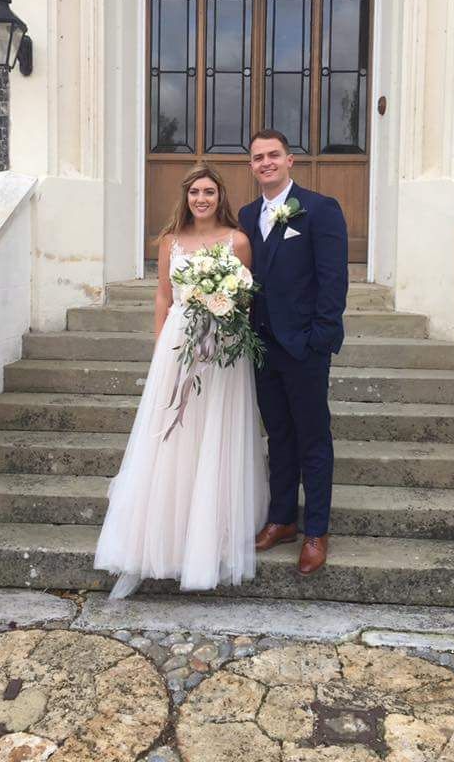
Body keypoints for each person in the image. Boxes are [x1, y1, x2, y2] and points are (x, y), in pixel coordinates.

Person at [95, 164, 268, 597]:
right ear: (186, 197)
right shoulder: (170, 242)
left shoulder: (237, 241)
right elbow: (162, 296)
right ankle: (165, 534)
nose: (201, 199)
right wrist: (161, 346)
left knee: (214, 431)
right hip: (179, 343)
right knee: (173, 433)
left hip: (223, 351)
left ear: (220, 196)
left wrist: (226, 324)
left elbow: (246, 297)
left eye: (209, 192)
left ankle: (211, 533)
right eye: (195, 192)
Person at [239, 130, 348, 576]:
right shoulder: (247, 215)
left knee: (312, 439)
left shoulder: (320, 209)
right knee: (278, 435)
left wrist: (319, 339)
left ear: (290, 161)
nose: (265, 162)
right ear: (251, 166)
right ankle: (282, 519)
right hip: (262, 346)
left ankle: (316, 531)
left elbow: (333, 281)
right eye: (258, 157)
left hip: (304, 347)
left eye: (273, 155)